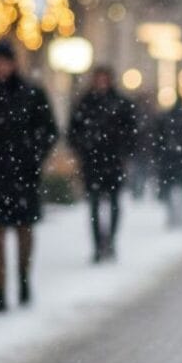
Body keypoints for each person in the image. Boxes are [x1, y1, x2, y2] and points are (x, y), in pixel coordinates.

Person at [0, 41, 58, 313]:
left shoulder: (32, 94)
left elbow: (49, 130)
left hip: (23, 175)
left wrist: (33, 156)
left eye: (2, 62)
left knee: (24, 231)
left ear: (12, 63)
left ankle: (23, 279)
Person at [67, 65, 137, 262]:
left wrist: (124, 152)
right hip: (92, 162)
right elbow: (73, 131)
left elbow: (132, 131)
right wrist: (82, 149)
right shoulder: (85, 103)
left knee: (114, 203)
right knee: (95, 204)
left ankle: (111, 241)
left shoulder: (121, 103)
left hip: (114, 161)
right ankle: (98, 245)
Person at [154, 96, 182, 228]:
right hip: (181, 160)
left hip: (169, 159)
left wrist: (159, 155)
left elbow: (158, 139)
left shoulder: (166, 118)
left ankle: (172, 217)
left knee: (169, 188)